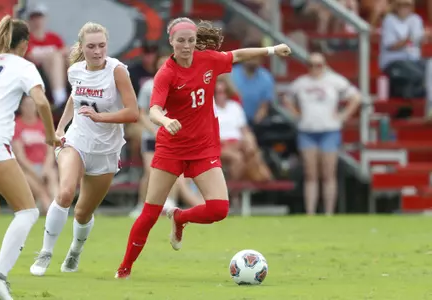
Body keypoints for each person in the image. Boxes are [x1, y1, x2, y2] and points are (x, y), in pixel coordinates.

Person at [115, 17, 291, 279]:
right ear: (171, 42)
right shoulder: (167, 73)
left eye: (190, 40)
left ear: (196, 41)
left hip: (203, 149)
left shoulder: (207, 60)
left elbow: (237, 55)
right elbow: (153, 110)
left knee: (219, 209)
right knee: (149, 214)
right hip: (171, 150)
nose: (186, 46)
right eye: (181, 41)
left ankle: (180, 218)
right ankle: (125, 268)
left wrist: (272, 50)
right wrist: (165, 120)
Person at [30, 22, 139, 277]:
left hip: (106, 149)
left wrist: (101, 118)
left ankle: (75, 252)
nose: (97, 51)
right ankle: (45, 253)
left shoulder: (117, 71)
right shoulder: (75, 70)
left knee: (82, 212)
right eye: (91, 46)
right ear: (82, 47)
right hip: (76, 139)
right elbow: (74, 97)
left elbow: (133, 113)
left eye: (102, 45)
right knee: (66, 192)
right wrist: (60, 128)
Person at [0, 15, 60, 300]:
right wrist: (51, 136)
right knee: (27, 211)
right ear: (25, 44)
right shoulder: (23, 66)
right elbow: (40, 100)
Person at [283, 53, 361, 215]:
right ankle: (310, 212)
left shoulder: (334, 81)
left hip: (329, 130)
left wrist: (343, 116)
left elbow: (356, 97)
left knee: (328, 173)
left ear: (324, 65)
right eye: (311, 65)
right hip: (307, 130)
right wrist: (296, 114)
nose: (315, 68)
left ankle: (329, 212)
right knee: (310, 173)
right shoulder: (301, 83)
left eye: (318, 65)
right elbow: (287, 98)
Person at [129, 52, 204, 218]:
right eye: (161, 63)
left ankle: (171, 203)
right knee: (151, 172)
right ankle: (142, 204)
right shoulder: (149, 85)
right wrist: (154, 130)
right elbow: (141, 113)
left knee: (174, 171)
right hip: (152, 136)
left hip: (173, 136)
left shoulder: (181, 84)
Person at [12, 96, 60, 215]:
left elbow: (50, 151)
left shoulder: (43, 124)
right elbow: (20, 156)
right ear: (21, 107)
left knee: (52, 176)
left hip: (44, 165)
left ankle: (58, 205)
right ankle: (48, 208)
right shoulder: (17, 125)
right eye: (26, 105)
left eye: (32, 105)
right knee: (39, 187)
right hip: (26, 168)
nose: (29, 108)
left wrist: (45, 168)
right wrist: (35, 171)